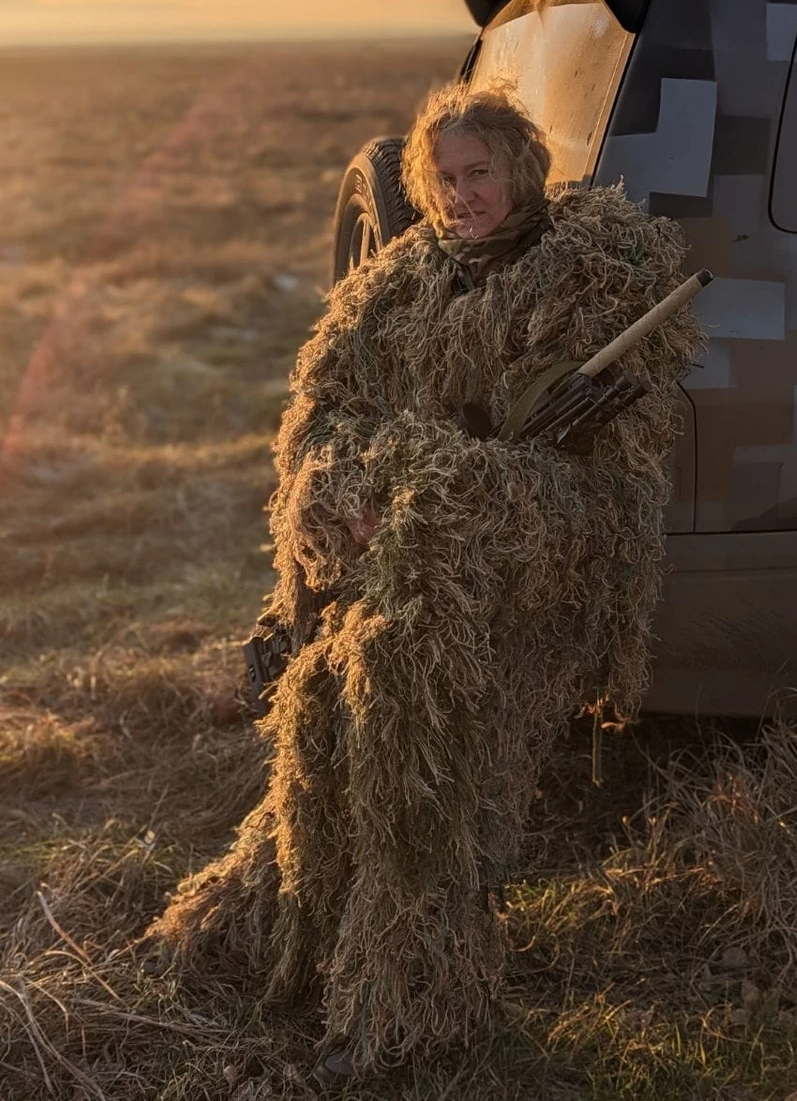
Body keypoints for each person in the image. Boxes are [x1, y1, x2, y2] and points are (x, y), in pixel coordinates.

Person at [147, 83, 705, 1086]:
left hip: (535, 572)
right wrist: (351, 515)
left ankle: (405, 1013)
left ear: (521, 169)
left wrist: (465, 468)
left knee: (429, 763)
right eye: (441, 179)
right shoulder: (394, 287)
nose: (459, 197)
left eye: (478, 174)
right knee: (324, 723)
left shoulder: (600, 269)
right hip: (402, 562)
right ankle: (290, 948)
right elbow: (318, 429)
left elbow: (610, 469)